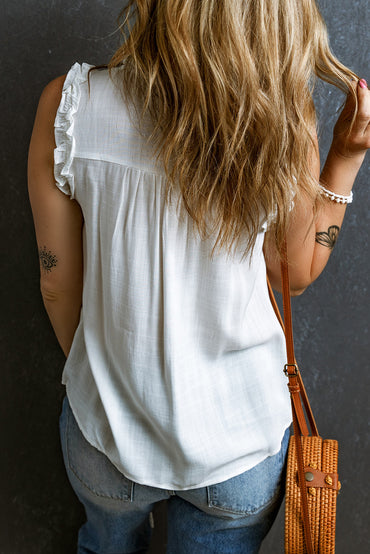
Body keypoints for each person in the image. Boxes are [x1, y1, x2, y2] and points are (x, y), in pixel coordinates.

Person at [27, 1, 369, 552]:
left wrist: (111, 379)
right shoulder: (284, 119)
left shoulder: (70, 105)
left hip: (105, 434)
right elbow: (294, 273)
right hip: (238, 447)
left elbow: (56, 284)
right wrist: (344, 161)